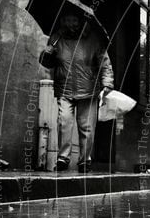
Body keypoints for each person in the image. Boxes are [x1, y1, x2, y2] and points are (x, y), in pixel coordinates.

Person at [39, 11, 114, 173]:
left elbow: (104, 63)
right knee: (64, 122)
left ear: (80, 21)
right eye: (67, 19)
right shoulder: (56, 38)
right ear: (62, 21)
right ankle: (63, 157)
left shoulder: (93, 39)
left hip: (88, 89)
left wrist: (107, 83)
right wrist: (46, 54)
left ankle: (84, 160)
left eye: (73, 19)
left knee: (86, 127)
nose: (70, 23)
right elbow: (48, 63)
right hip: (64, 87)